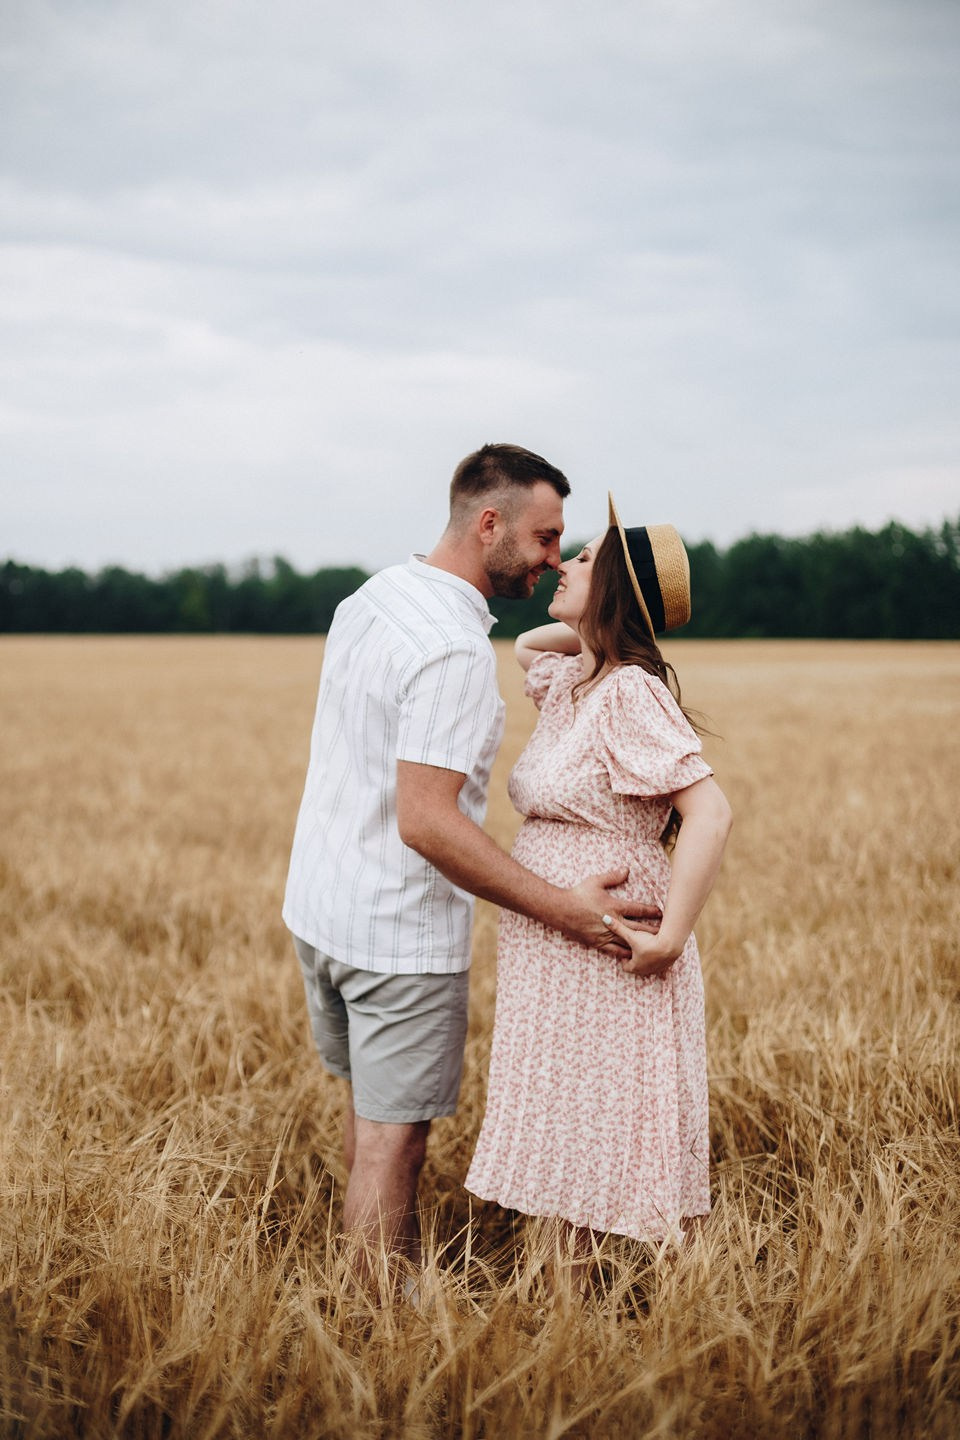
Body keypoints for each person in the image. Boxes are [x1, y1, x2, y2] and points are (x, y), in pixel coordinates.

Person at [282, 448, 659, 1286]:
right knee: (395, 1137)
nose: (554, 558)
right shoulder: (453, 649)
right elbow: (427, 822)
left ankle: (361, 1279)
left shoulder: (375, 595)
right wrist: (562, 907)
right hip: (397, 939)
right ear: (489, 524)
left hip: (321, 910)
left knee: (368, 1111)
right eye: (545, 537)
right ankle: (376, 1316)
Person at [465, 494, 732, 1268]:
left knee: (597, 1120)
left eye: (582, 559)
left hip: (610, 946)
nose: (559, 563)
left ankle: (585, 1310)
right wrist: (597, 614)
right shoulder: (577, 679)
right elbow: (526, 644)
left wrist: (669, 940)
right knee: (567, 1119)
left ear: (615, 588)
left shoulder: (626, 692)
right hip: (555, 942)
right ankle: (567, 1308)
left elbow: (709, 815)